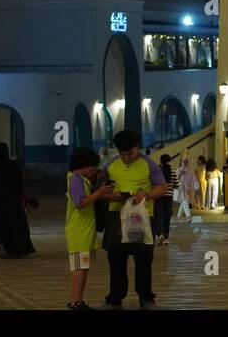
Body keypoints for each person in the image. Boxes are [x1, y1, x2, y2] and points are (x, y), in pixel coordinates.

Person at [102, 130, 170, 309]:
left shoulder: (149, 164)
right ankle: (114, 299)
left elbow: (162, 187)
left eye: (130, 153)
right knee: (116, 261)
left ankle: (146, 298)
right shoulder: (109, 165)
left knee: (143, 261)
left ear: (138, 148)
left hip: (143, 219)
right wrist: (115, 196)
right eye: (122, 154)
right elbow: (102, 192)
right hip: (116, 218)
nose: (126, 158)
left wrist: (146, 195)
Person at [65, 147, 115, 311]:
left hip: (84, 232)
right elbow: (79, 203)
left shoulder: (81, 180)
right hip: (79, 232)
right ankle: (75, 302)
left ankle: (78, 300)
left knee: (82, 267)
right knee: (79, 268)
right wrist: (100, 193)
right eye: (92, 168)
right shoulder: (76, 180)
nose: (93, 171)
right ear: (82, 165)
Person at [0, 143, 35, 257]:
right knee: (14, 224)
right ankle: (17, 247)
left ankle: (1, 245)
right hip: (12, 201)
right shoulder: (13, 164)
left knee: (0, 225)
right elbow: (19, 183)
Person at [153, 154, 176, 245]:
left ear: (161, 161)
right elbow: (177, 184)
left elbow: (154, 183)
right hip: (169, 198)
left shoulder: (158, 172)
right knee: (167, 217)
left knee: (158, 216)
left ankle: (160, 234)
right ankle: (166, 237)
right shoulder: (172, 172)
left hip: (159, 196)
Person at [176, 155, 197, 220]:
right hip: (181, 188)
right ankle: (188, 216)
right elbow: (176, 179)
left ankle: (179, 215)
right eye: (184, 161)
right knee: (185, 200)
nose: (185, 163)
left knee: (185, 201)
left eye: (187, 161)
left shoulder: (191, 170)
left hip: (189, 189)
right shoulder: (179, 170)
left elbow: (194, 179)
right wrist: (180, 174)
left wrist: (196, 187)